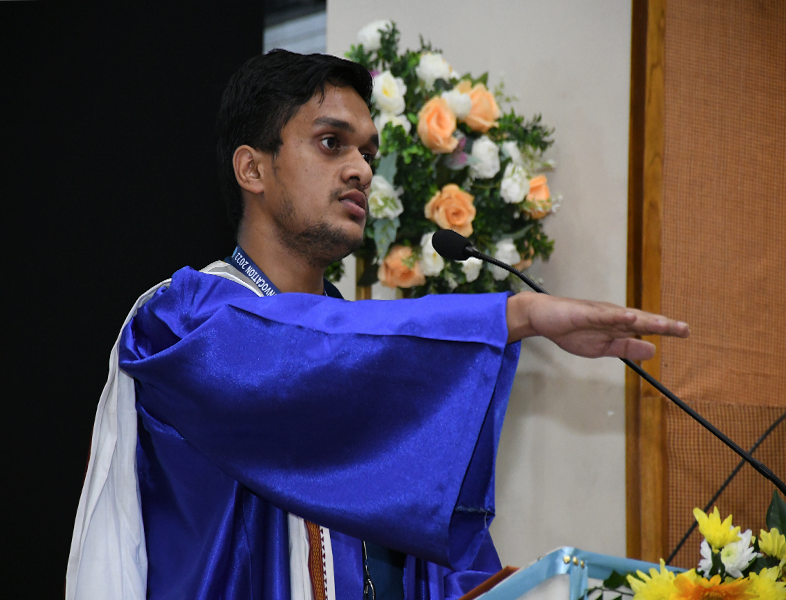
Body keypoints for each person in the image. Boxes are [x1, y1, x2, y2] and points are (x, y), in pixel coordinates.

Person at [66, 50, 689, 600]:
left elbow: (450, 564)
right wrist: (514, 314)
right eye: (331, 143)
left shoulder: (376, 367)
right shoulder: (180, 323)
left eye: (368, 152)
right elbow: (296, 355)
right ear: (252, 169)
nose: (362, 170)